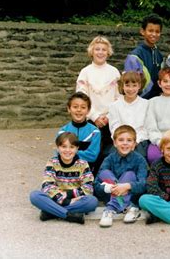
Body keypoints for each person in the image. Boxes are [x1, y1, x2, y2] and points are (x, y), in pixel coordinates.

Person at [29, 132, 98, 224]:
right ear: (58, 148)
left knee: (92, 201)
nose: (67, 150)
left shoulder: (83, 164)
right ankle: (69, 215)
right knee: (35, 196)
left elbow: (88, 188)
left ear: (77, 149)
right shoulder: (52, 162)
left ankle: (51, 212)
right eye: (64, 146)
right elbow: (47, 186)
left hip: (74, 198)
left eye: (72, 147)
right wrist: (66, 201)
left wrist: (69, 194)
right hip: (56, 197)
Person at [76, 36, 120, 173]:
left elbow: (118, 97)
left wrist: (108, 115)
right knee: (90, 151)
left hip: (110, 119)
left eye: (103, 50)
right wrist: (95, 116)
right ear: (92, 51)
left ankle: (101, 178)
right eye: (97, 49)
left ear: (108, 52)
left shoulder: (114, 72)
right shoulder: (85, 72)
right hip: (91, 120)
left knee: (106, 152)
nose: (100, 52)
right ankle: (86, 177)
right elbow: (82, 98)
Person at [95, 125, 148, 227]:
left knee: (129, 174)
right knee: (104, 173)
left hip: (132, 196)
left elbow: (144, 184)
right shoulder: (109, 159)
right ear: (115, 143)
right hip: (110, 194)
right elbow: (96, 185)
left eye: (129, 140)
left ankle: (110, 209)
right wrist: (111, 188)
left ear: (134, 144)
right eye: (121, 140)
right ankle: (129, 208)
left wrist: (127, 186)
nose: (125, 143)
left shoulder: (140, 160)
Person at [108, 71, 151, 162]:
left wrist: (134, 141)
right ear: (122, 86)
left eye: (134, 85)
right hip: (120, 141)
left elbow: (147, 127)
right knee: (113, 159)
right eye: (127, 85)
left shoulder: (146, 104)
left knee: (139, 159)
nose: (131, 89)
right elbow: (114, 127)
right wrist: (124, 141)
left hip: (139, 141)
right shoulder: (114, 106)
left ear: (139, 86)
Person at [56, 92, 101, 171]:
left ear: (88, 110)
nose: (79, 110)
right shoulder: (62, 132)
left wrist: (69, 153)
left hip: (88, 172)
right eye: (75, 107)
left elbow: (92, 156)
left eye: (83, 107)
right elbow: (58, 154)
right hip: (66, 172)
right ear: (69, 109)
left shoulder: (94, 132)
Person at [124, 13, 164, 99]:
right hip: (140, 100)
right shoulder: (134, 56)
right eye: (150, 30)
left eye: (157, 31)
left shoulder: (159, 55)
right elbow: (130, 82)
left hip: (157, 100)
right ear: (142, 31)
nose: (154, 34)